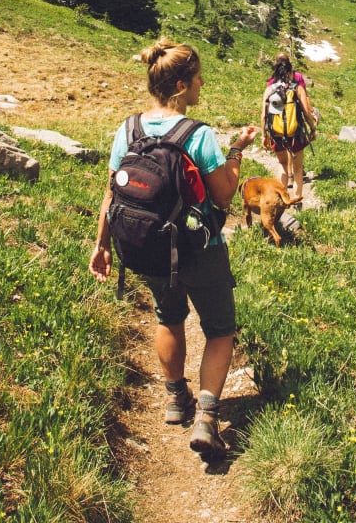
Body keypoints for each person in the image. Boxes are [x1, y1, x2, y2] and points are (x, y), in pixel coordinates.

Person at [89, 38, 257, 458]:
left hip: (147, 246)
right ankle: (206, 416)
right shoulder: (197, 135)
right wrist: (236, 151)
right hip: (200, 248)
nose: (202, 84)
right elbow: (222, 197)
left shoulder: (128, 129)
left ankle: (173, 398)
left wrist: (101, 245)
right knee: (220, 330)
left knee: (169, 317)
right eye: (198, 77)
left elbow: (112, 192)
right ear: (182, 85)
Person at [261, 53, 317, 200]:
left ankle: (282, 199)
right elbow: (306, 112)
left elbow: (263, 115)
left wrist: (264, 135)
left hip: (276, 134)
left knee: (283, 165)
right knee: (298, 169)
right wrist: (312, 129)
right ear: (290, 69)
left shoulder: (269, 88)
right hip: (295, 133)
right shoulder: (297, 88)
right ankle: (297, 200)